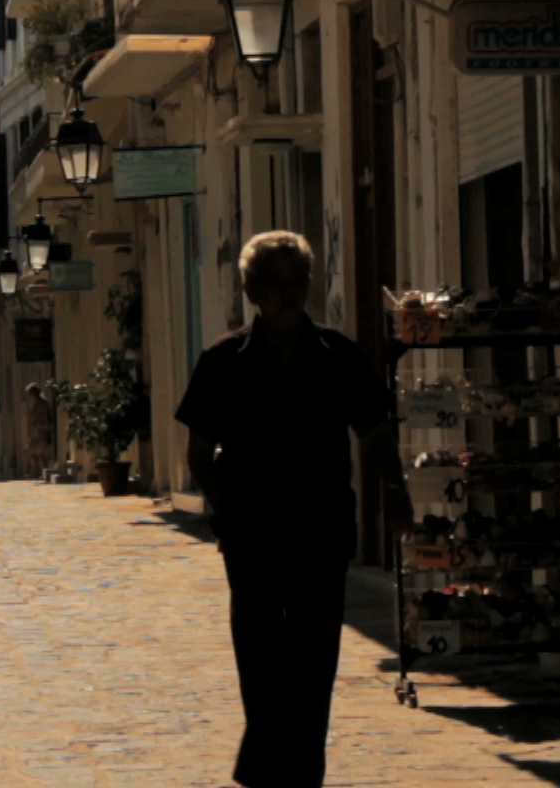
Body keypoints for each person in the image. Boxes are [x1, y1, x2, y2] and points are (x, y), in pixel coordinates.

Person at [176, 230, 413, 788]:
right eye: (274, 283)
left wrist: (397, 495)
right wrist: (227, 512)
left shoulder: (337, 355)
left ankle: (299, 773)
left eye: (297, 281)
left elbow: (375, 432)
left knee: (312, 664)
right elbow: (197, 452)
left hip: (321, 531)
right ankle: (264, 766)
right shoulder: (222, 361)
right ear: (251, 290)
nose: (288, 294)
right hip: (252, 536)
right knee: (259, 661)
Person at [23, 383, 54, 477]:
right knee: (38, 453)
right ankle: (40, 471)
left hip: (40, 430)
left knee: (32, 451)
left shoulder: (39, 403)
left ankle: (36, 471)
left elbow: (33, 416)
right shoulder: (43, 402)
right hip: (40, 429)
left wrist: (32, 419)